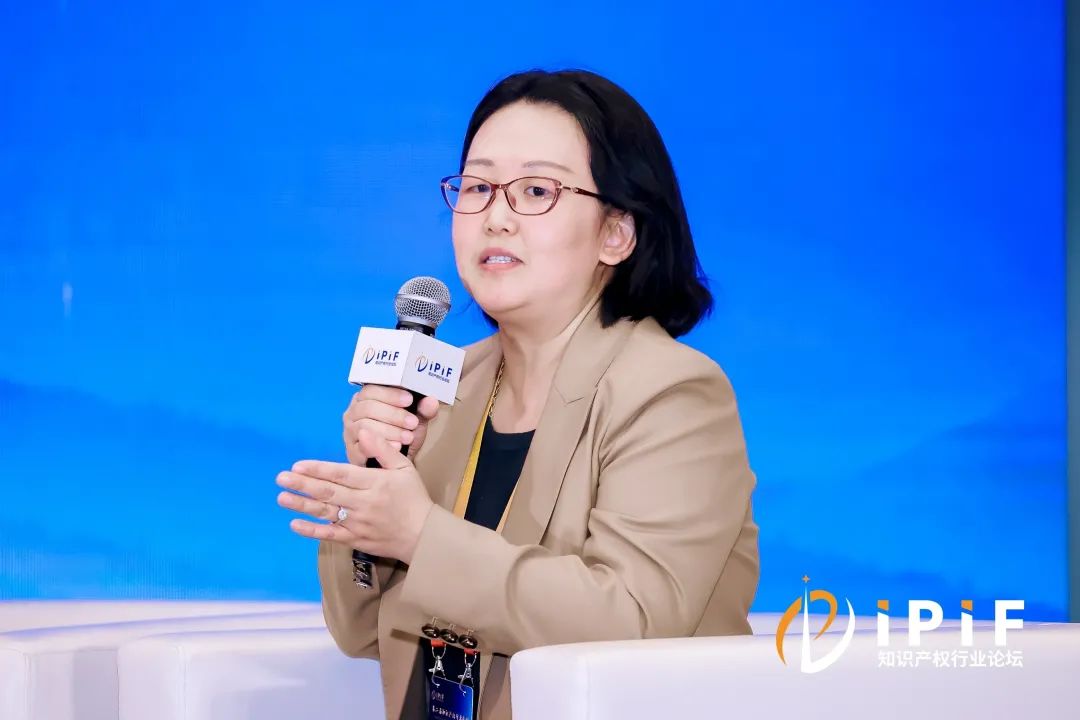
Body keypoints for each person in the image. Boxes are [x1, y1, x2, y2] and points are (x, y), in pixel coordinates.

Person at [276, 69, 759, 720]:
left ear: (617, 232)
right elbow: (361, 631)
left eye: (536, 190)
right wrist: (373, 485)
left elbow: (634, 621)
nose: (496, 217)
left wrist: (420, 535)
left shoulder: (672, 393)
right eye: (478, 188)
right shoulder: (445, 388)